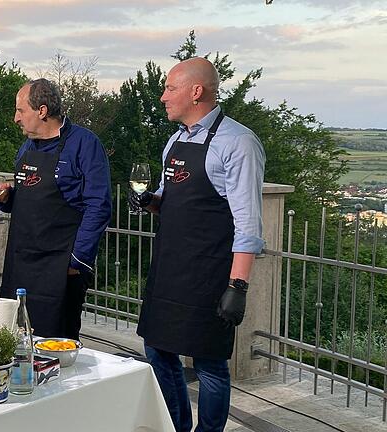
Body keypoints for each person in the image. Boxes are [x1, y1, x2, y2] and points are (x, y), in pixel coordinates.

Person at [130, 57, 265, 432]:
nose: (162, 97)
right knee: (157, 349)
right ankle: (177, 426)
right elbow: (172, 199)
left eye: (170, 89)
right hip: (170, 269)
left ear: (196, 91)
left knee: (209, 364)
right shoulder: (176, 140)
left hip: (210, 272)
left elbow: (248, 223)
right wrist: (150, 201)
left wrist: (237, 286)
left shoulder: (237, 142)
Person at [0, 78, 111, 340]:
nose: (15, 118)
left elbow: (98, 206)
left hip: (60, 266)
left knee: (56, 346)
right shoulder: (26, 147)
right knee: (14, 338)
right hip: (20, 264)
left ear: (42, 111)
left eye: (20, 111)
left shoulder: (85, 144)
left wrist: (76, 261)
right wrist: (6, 195)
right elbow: (27, 198)